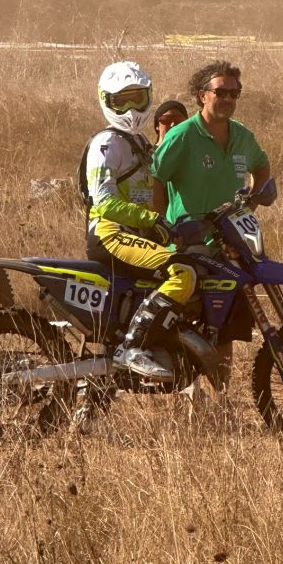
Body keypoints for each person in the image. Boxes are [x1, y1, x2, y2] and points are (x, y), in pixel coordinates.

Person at [151, 60, 270, 385]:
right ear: (202, 95)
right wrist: (162, 227)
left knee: (225, 326)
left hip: (230, 246)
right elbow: (155, 178)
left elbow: (262, 166)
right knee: (188, 325)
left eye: (235, 93)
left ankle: (221, 396)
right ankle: (188, 395)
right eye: (221, 92)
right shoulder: (182, 135)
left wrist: (251, 204)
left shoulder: (242, 136)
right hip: (189, 247)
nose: (228, 99)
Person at [83, 61, 198, 380]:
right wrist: (152, 220)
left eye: (137, 98)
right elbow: (104, 202)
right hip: (110, 233)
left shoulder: (140, 144)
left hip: (137, 236)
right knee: (182, 272)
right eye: (122, 101)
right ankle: (133, 348)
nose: (132, 109)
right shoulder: (106, 144)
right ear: (106, 101)